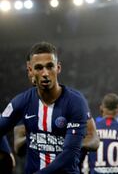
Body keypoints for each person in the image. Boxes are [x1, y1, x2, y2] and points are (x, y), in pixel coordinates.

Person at [0, 41, 89, 173]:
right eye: (39, 68)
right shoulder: (21, 101)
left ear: (58, 68)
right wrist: (6, 153)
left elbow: (69, 155)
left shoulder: (75, 102)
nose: (45, 73)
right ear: (30, 71)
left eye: (50, 66)